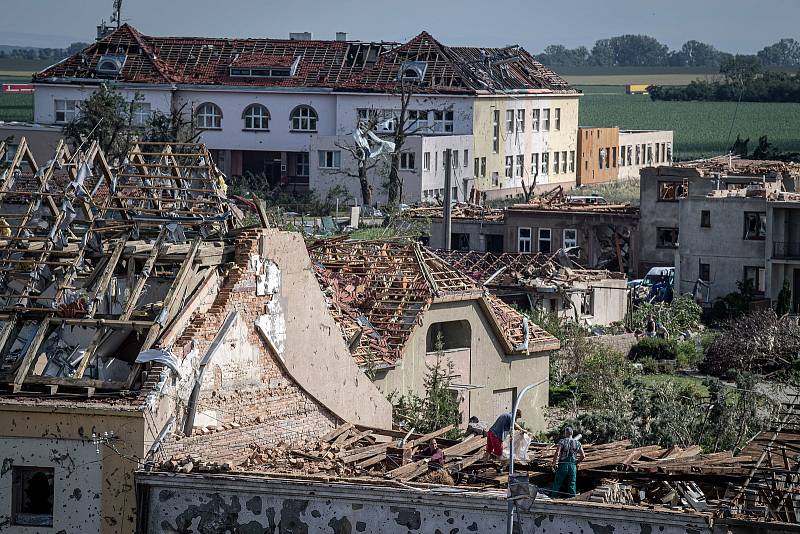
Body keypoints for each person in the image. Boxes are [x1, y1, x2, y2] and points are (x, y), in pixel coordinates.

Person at [551, 426, 585, 498]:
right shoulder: (578, 443)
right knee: (572, 484)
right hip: (572, 466)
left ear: (566, 433)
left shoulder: (562, 441)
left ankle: (553, 497)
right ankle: (572, 499)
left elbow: (557, 453)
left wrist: (554, 463)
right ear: (572, 433)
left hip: (563, 465)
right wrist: (577, 462)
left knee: (557, 482)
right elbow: (583, 456)